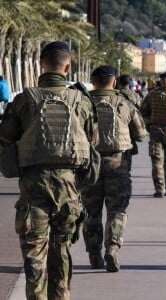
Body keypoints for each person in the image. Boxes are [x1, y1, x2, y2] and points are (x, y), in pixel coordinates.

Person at [0, 41, 97, 299]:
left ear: (41, 64)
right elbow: (91, 143)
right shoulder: (81, 101)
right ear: (68, 66)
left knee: (34, 255)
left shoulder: (24, 100)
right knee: (61, 250)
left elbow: (5, 141)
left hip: (33, 187)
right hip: (69, 188)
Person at [81, 65, 147, 272]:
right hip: (118, 165)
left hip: (89, 166)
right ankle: (112, 247)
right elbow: (141, 134)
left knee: (91, 212)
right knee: (117, 209)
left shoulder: (82, 103)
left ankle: (94, 256)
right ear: (114, 82)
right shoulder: (125, 104)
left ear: (92, 81)